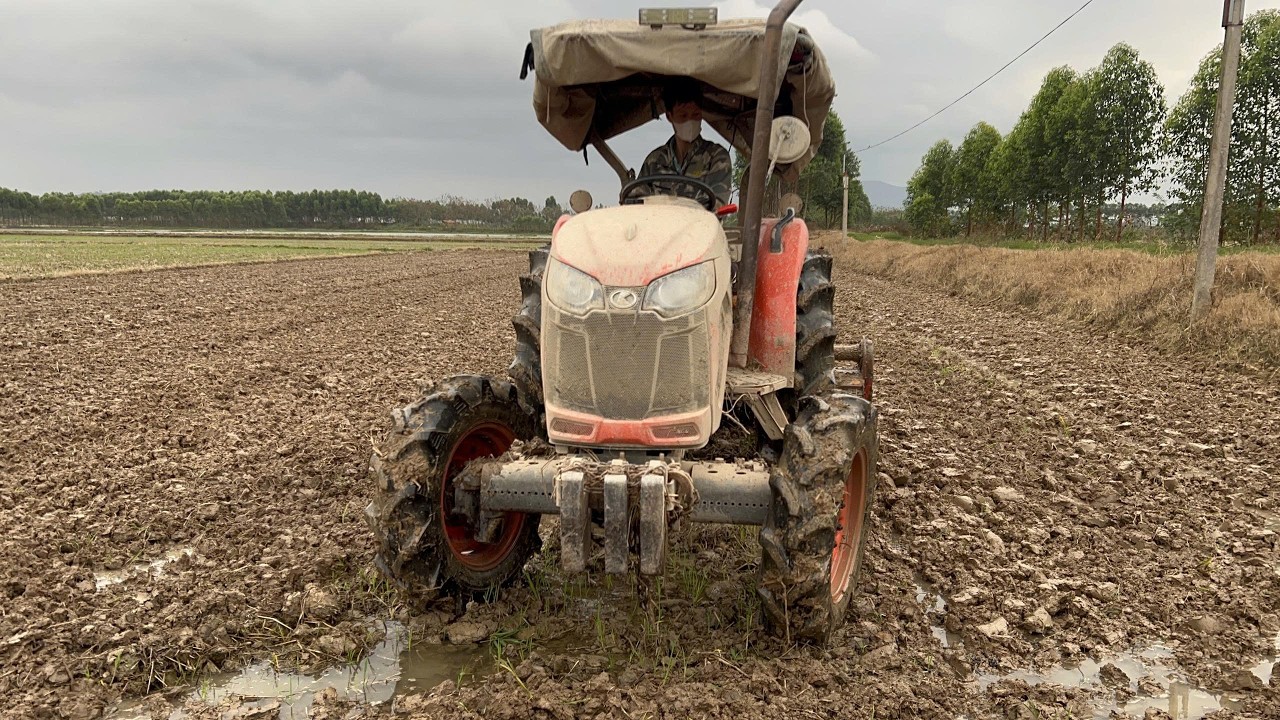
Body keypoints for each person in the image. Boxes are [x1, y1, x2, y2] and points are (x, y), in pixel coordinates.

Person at [638, 79, 732, 207]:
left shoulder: (716, 157)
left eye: (696, 114)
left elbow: (716, 206)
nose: (690, 121)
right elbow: (636, 204)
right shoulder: (654, 161)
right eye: (683, 115)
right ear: (669, 116)